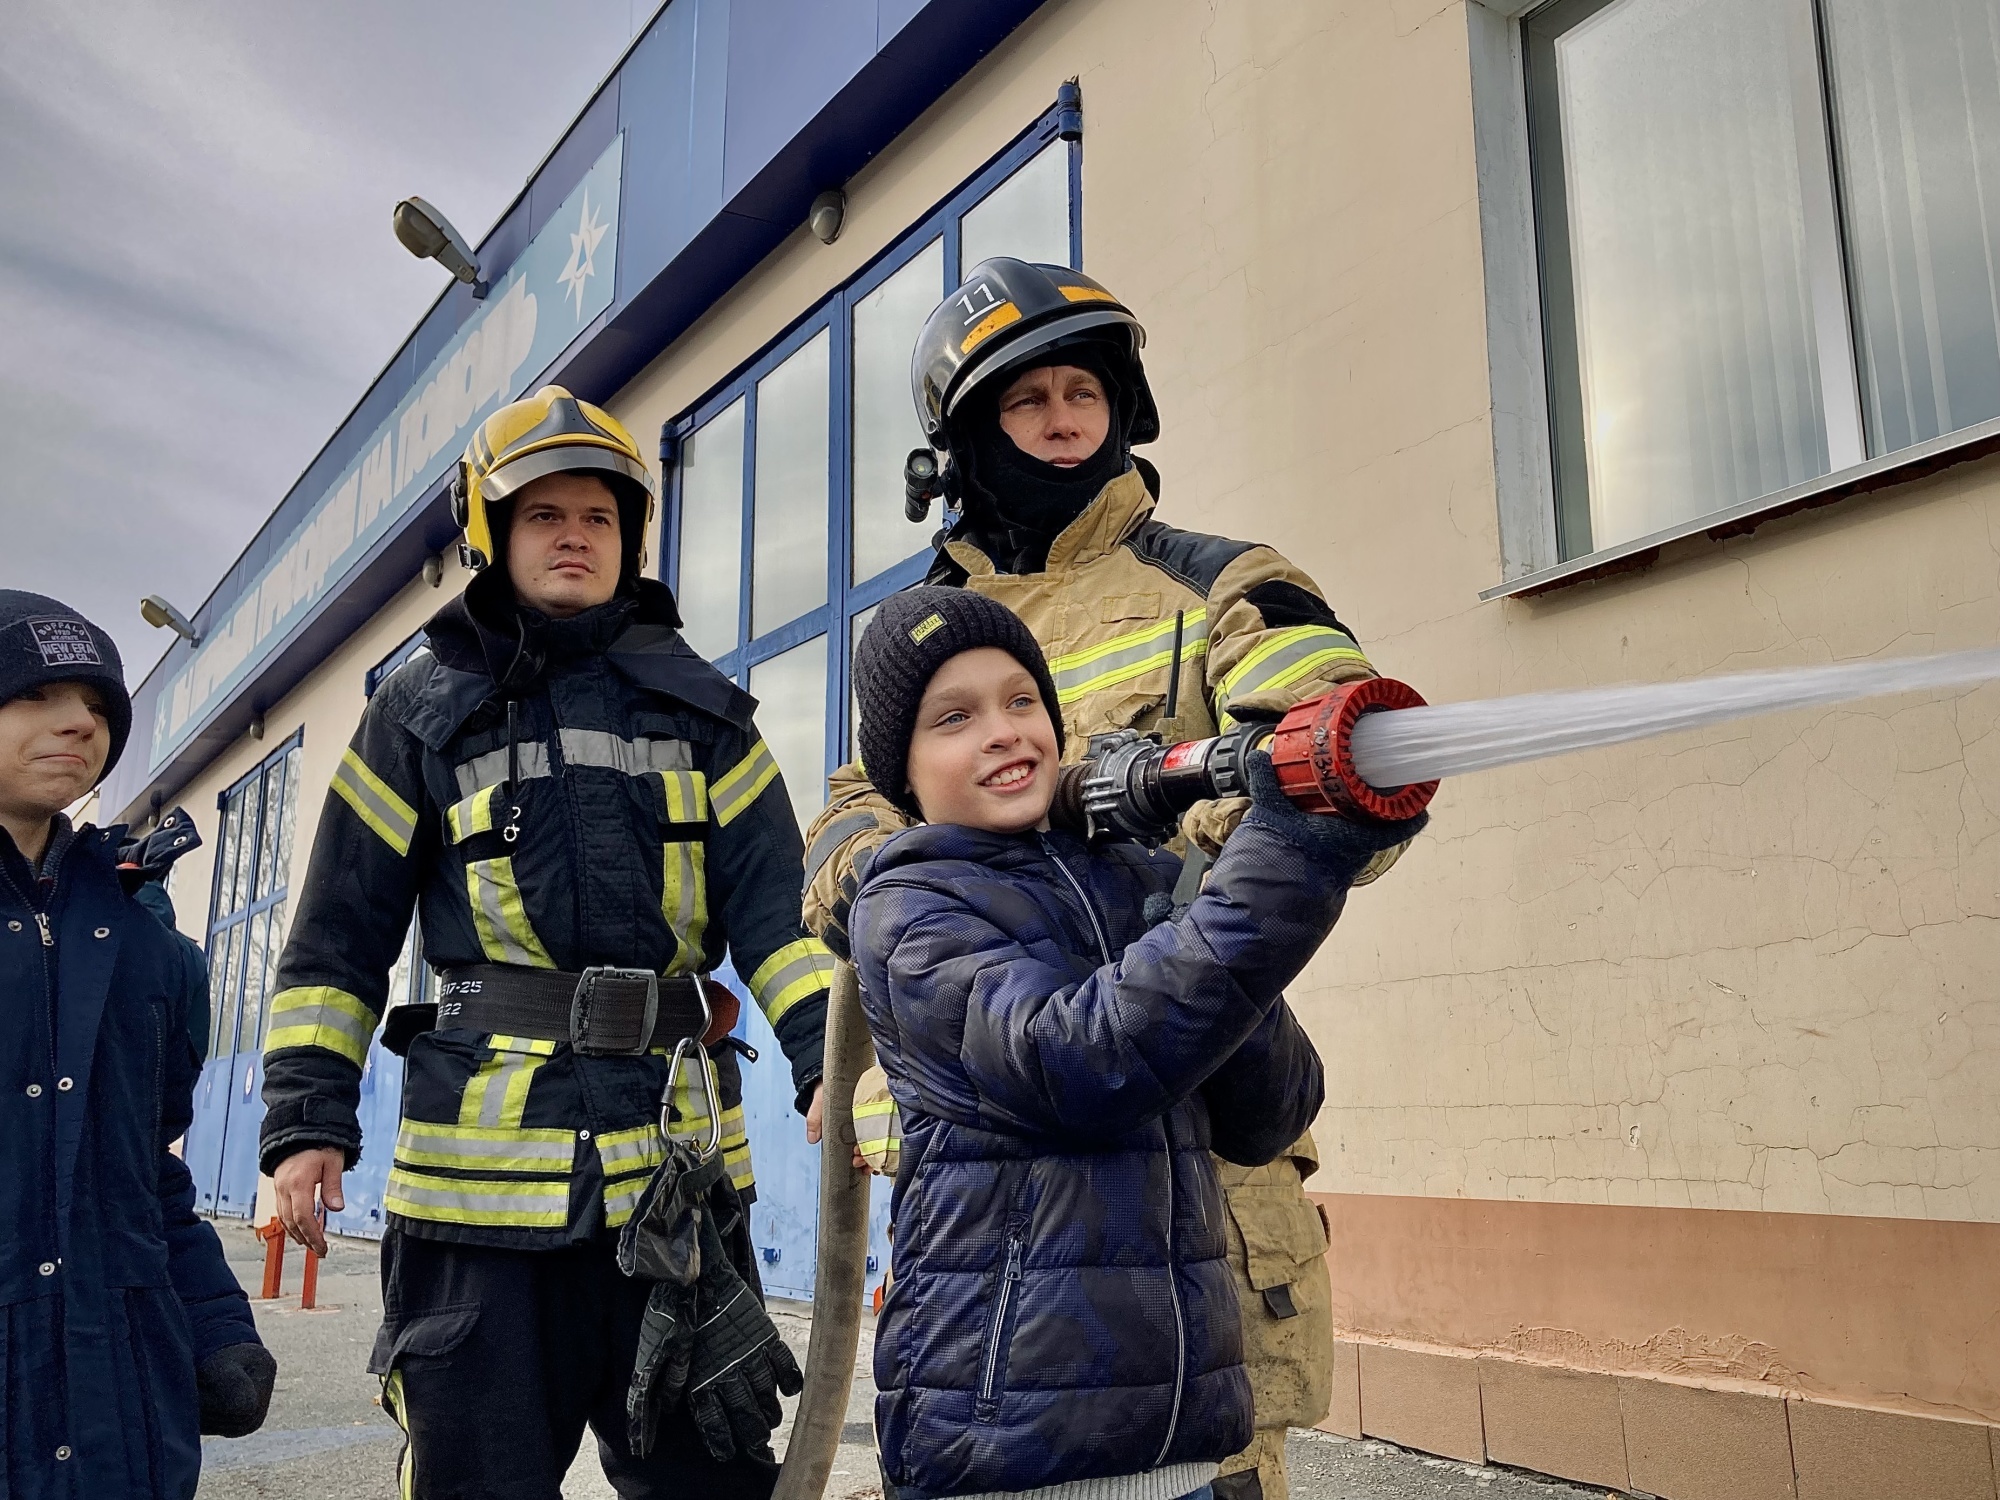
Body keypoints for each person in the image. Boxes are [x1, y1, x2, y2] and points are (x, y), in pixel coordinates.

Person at [808, 259, 1405, 1500]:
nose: (1063, 414)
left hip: (1202, 1165)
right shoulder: (919, 632)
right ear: (964, 435)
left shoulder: (1223, 579)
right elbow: (840, 850)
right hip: (1000, 1194)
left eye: (1085, 387)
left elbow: (1332, 763)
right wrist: (945, 892)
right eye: (1027, 398)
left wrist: (1169, 840)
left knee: (1224, 1470)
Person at [257, 388, 835, 1499]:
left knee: (709, 1483)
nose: (574, 535)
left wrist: (829, 1065)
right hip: (478, 1217)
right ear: (491, 534)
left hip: (676, 1195)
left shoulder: (707, 717)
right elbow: (337, 938)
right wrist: (303, 1122)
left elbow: (783, 922)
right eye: (542, 516)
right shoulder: (418, 715)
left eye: (598, 517)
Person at [843, 587, 1424, 1500]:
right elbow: (1082, 1064)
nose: (1003, 731)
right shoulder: (912, 910)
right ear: (902, 772)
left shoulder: (1127, 878)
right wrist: (1287, 859)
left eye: (1021, 700)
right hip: (1010, 1448)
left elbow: (1270, 1114)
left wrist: (1214, 893)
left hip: (1182, 1442)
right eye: (954, 717)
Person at [0, 591, 272, 1500]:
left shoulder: (144, 943)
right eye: (38, 695)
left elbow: (147, 1170)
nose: (79, 722)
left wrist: (212, 1321)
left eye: (98, 707)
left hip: (120, 1405)